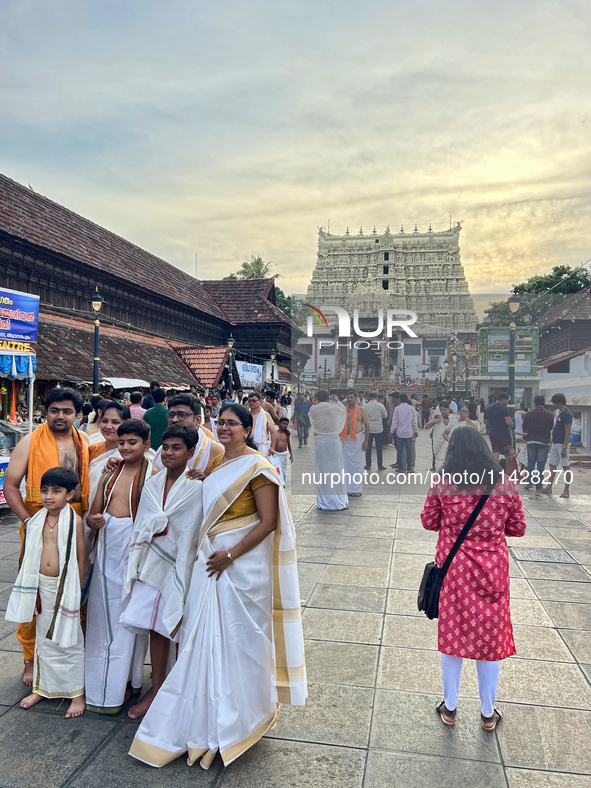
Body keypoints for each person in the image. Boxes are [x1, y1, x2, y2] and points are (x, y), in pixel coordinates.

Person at [129, 403, 306, 769]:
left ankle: (239, 719)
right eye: (220, 422)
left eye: (232, 424)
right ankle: (203, 718)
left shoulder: (258, 467)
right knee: (202, 638)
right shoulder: (214, 465)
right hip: (210, 562)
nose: (224, 428)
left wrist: (232, 554)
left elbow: (268, 521)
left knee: (239, 640)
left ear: (247, 428)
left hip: (241, 568)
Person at [421, 427, 526, 730]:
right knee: (490, 640)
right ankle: (487, 713)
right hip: (492, 572)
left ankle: (450, 708)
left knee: (453, 636)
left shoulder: (443, 484)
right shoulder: (504, 485)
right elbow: (518, 528)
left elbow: (429, 521)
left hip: (454, 572)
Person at [4, 387, 90, 686]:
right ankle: (30, 659)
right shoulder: (30, 441)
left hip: (75, 523)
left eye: (67, 411)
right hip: (39, 525)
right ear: (47, 411)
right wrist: (30, 521)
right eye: (55, 410)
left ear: (77, 415)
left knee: (75, 590)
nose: (61, 416)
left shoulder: (84, 442)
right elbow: (11, 486)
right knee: (34, 593)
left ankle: (66, 658)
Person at [122, 424, 203, 720]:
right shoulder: (153, 485)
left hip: (184, 567)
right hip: (152, 565)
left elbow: (195, 530)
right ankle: (157, 691)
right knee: (157, 629)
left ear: (190, 453)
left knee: (180, 628)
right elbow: (145, 520)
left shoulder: (198, 487)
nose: (169, 453)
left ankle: (180, 691)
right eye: (165, 447)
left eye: (176, 448)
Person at [84, 419, 152, 714]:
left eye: (132, 443)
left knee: (128, 618)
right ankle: (101, 683)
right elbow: (93, 512)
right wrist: (94, 520)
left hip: (134, 553)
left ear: (146, 445)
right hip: (107, 551)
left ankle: (126, 682)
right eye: (122, 442)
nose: (125, 447)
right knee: (102, 616)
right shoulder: (109, 471)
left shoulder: (154, 474)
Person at [6, 468, 86, 718]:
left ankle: (77, 694)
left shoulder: (75, 520)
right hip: (41, 587)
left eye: (56, 491)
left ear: (69, 494)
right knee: (44, 639)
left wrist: (77, 591)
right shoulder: (36, 520)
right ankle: (43, 688)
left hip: (66, 588)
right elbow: (28, 556)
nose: (48, 496)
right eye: (44, 490)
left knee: (70, 640)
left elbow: (81, 558)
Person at [152, 394, 223, 475]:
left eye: (182, 415)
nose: (174, 420)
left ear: (197, 420)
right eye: (171, 415)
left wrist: (204, 480)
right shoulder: (162, 450)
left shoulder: (216, 452)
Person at [309, 390, 348, 510]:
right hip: (333, 442)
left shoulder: (313, 409)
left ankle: (323, 501)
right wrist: (337, 401)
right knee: (336, 470)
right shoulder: (333, 409)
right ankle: (338, 500)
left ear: (317, 398)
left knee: (321, 471)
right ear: (329, 398)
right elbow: (343, 411)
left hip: (320, 442)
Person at [542, 393, 573, 498]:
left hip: (562, 444)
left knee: (565, 466)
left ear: (559, 402)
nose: (553, 404)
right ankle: (549, 487)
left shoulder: (567, 414)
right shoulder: (559, 412)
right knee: (552, 465)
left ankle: (566, 490)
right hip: (555, 443)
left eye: (554, 403)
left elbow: (567, 432)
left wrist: (564, 447)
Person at [340, 390, 369, 497]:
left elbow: (367, 426)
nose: (349, 399)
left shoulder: (361, 410)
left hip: (358, 439)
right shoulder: (344, 410)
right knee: (345, 464)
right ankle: (347, 488)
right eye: (347, 398)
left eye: (351, 398)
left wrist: (366, 441)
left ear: (356, 399)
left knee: (357, 464)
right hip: (345, 439)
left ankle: (356, 489)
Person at [522, 395, 554, 491]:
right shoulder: (550, 414)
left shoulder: (528, 414)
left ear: (534, 403)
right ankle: (539, 486)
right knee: (541, 463)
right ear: (544, 403)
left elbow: (524, 427)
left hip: (531, 440)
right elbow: (551, 427)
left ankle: (529, 482)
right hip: (544, 441)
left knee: (531, 461)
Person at [390, 393, 418, 474]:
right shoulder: (412, 409)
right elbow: (414, 422)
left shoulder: (397, 409)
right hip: (409, 432)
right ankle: (409, 468)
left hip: (399, 432)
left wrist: (392, 431)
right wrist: (416, 431)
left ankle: (401, 467)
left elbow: (394, 421)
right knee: (409, 451)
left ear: (400, 399)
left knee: (400, 450)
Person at [425, 401, 456, 471]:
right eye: (441, 410)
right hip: (437, 440)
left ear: (448, 409)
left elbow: (457, 426)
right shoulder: (436, 417)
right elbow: (426, 427)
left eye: (444, 409)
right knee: (439, 458)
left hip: (448, 441)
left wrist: (449, 422)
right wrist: (433, 422)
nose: (442, 411)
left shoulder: (454, 417)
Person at [484, 392, 513, 460]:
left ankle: (495, 467)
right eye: (506, 401)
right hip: (503, 434)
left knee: (495, 452)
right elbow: (508, 422)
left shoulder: (488, 408)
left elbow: (485, 422)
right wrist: (512, 424)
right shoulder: (504, 408)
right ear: (503, 400)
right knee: (508, 452)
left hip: (492, 433)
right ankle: (509, 468)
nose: (506, 402)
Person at [363, 392, 387, 471]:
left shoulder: (365, 406)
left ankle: (368, 464)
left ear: (369, 397)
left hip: (368, 429)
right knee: (379, 447)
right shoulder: (380, 405)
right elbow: (385, 415)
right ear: (376, 397)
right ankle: (380, 465)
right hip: (378, 428)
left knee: (368, 447)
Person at [247, 392, 276, 457]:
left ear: (260, 401)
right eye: (250, 401)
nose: (251, 403)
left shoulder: (266, 415)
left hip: (261, 445)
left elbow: (273, 432)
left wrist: (272, 447)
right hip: (247, 444)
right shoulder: (245, 414)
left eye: (254, 401)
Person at [271, 417, 292, 485]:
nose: (285, 425)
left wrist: (291, 454)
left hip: (284, 454)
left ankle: (283, 484)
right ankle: (278, 483)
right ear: (279, 424)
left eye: (286, 424)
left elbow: (289, 444)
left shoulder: (287, 433)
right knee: (277, 471)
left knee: (284, 472)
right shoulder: (275, 433)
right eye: (283, 423)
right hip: (276, 454)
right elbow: (272, 443)